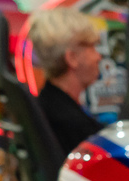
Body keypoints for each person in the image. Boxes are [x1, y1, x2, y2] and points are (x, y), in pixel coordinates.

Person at [27, 7, 104, 162]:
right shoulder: (71, 123)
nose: (98, 57)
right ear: (72, 58)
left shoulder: (47, 105)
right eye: (91, 48)